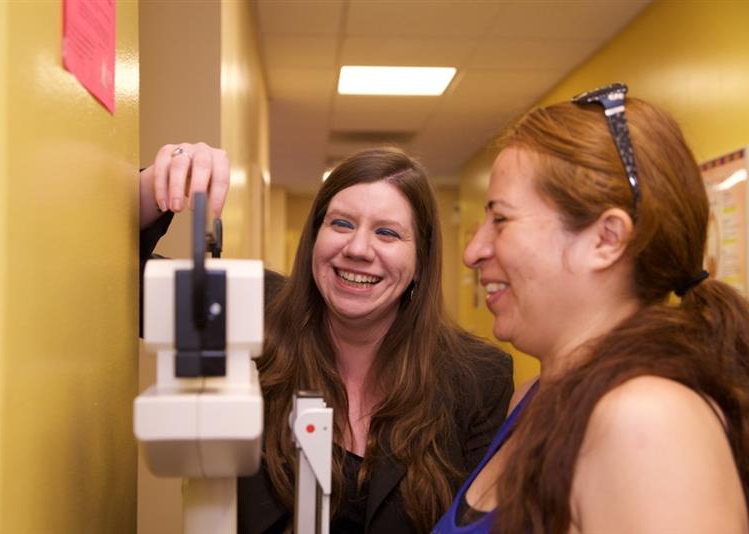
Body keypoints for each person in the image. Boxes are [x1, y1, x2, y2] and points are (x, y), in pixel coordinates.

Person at [432, 84, 749, 534]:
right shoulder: (533, 400)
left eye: (501, 219)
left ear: (606, 239)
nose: (473, 251)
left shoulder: (647, 423)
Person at [139, 144, 515, 533]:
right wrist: (152, 187)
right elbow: (114, 281)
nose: (357, 249)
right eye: (341, 224)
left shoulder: (478, 377)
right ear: (314, 237)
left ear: (420, 261)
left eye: (387, 233)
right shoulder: (250, 310)